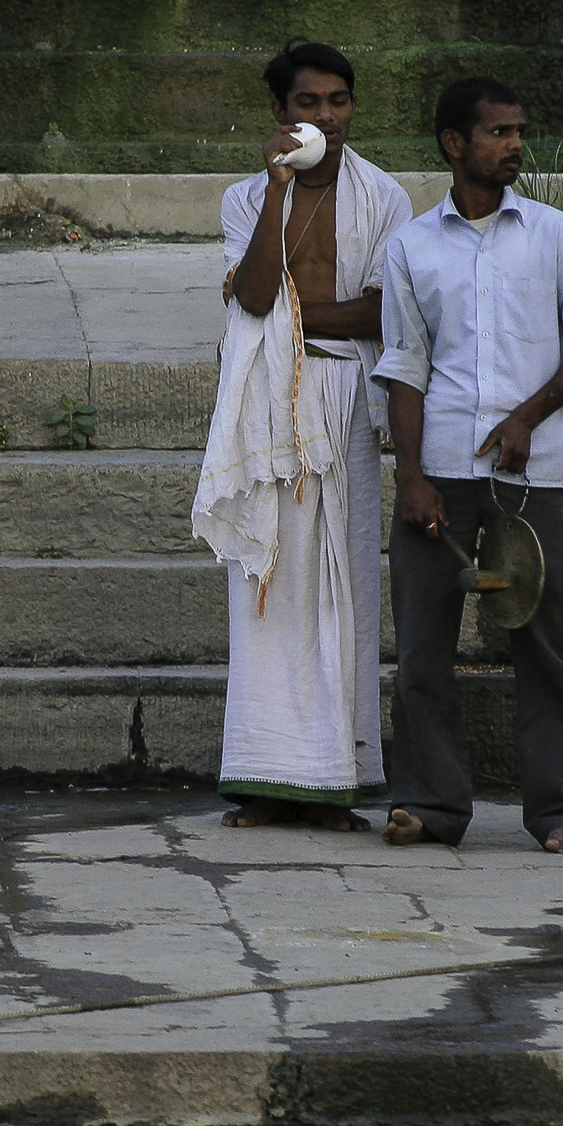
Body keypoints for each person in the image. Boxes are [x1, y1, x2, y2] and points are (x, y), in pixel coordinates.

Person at [371, 76, 563, 855]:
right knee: (422, 647)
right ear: (455, 144)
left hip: (533, 475)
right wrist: (410, 475)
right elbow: (405, 367)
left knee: (550, 647)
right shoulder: (411, 245)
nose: (516, 145)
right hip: (440, 469)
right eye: (500, 132)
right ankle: (430, 805)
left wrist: (527, 416)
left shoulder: (552, 235)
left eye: (520, 131)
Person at [192, 40, 414, 831]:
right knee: (263, 582)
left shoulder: (385, 197)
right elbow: (254, 290)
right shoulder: (245, 197)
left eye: (339, 101)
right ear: (280, 115)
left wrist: (279, 312)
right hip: (261, 401)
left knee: (343, 585)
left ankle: (337, 779)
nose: (326, 116)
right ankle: (262, 781)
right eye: (309, 103)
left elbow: (381, 312)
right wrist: (277, 193)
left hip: (343, 397)